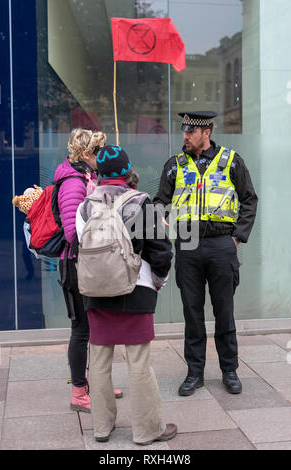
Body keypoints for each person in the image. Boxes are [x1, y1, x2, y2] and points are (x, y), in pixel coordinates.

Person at [76, 145, 177, 445]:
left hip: (96, 293)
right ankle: (148, 430)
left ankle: (102, 428)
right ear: (128, 171)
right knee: (139, 363)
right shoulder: (142, 204)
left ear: (100, 174)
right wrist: (158, 282)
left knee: (99, 362)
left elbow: (79, 245)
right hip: (136, 291)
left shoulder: (85, 207)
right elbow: (161, 252)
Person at [153, 111, 258, 396]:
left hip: (222, 243)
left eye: (190, 132)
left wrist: (238, 236)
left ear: (205, 132)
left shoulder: (231, 161)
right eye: (184, 131)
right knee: (192, 311)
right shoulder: (174, 166)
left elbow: (249, 199)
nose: (185, 137)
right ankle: (194, 372)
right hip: (187, 244)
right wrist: (160, 218)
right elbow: (160, 201)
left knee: (224, 310)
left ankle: (229, 369)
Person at [54, 129, 123, 413]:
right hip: (75, 265)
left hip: (88, 263)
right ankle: (79, 393)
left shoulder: (88, 177)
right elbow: (73, 233)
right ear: (85, 155)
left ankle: (97, 384)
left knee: (94, 327)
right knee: (81, 330)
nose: (103, 155)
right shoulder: (72, 182)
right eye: (99, 151)